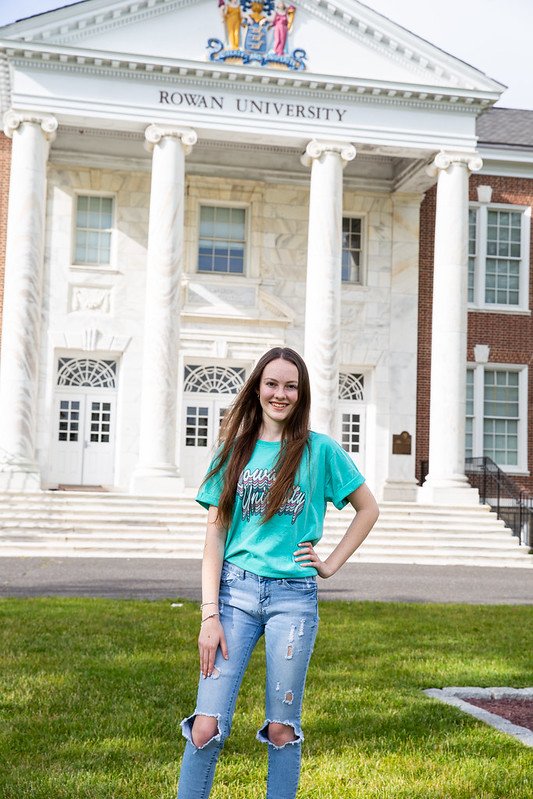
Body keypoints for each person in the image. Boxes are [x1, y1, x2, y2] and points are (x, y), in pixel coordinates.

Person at [176, 347, 379, 799]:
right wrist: (209, 615)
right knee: (205, 725)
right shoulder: (234, 449)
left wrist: (329, 564)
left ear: (301, 393)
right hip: (234, 595)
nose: (280, 394)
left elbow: (368, 509)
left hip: (294, 599)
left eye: (291, 386)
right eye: (272, 384)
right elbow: (214, 537)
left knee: (282, 728)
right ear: (257, 388)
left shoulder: (319, 450)